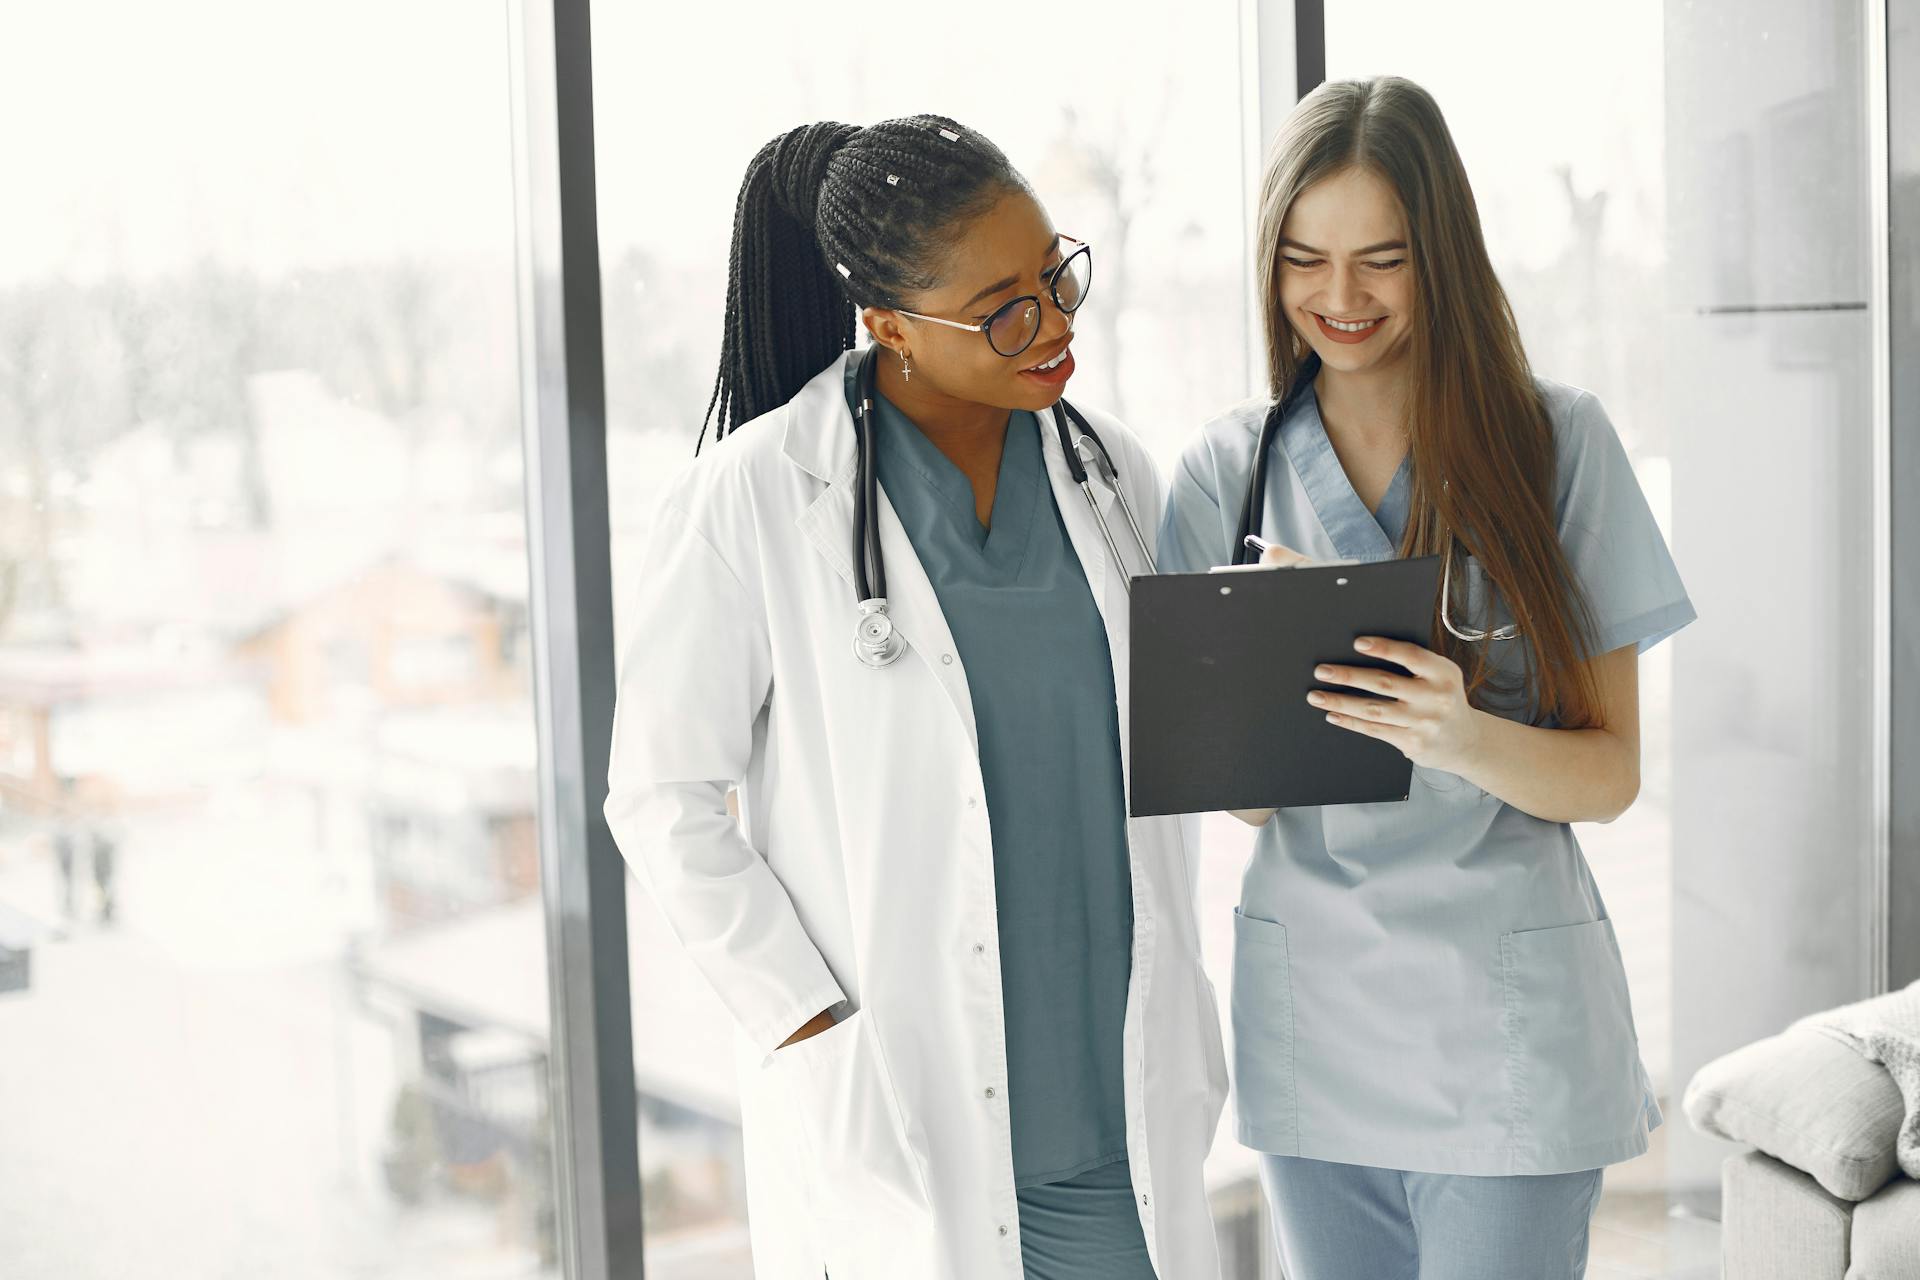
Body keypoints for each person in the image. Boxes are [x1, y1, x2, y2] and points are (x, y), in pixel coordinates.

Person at [604, 116, 1227, 1280]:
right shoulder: (753, 500)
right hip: (905, 1124)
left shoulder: (1112, 476)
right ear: (887, 323)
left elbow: (1186, 742)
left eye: (1057, 274)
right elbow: (657, 794)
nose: (1054, 325)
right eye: (1004, 307)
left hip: (1122, 1116)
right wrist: (807, 1023)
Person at [1158, 77, 1695, 1280]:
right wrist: (1277, 667)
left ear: (1440, 255)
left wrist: (1451, 726)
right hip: (1319, 1023)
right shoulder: (1224, 471)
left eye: (1381, 259)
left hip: (1503, 1027)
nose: (1337, 299)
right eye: (1304, 258)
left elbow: (1607, 774)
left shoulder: (1557, 447)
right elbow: (1242, 802)